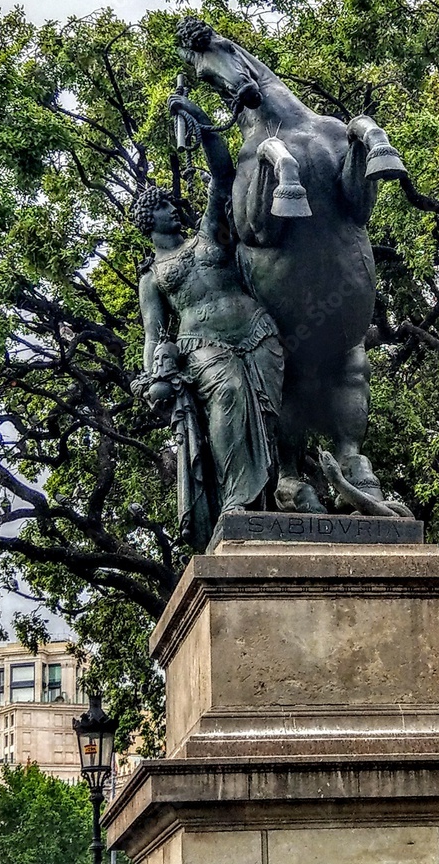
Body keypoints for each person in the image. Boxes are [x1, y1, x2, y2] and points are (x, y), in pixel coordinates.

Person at [133, 96, 283, 548]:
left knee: (276, 421)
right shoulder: (154, 276)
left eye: (174, 205)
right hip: (203, 345)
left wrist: (201, 123)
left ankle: (283, 499)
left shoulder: (208, 233)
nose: (173, 209)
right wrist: (153, 376)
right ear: (148, 219)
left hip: (257, 330)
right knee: (229, 393)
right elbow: (154, 333)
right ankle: (236, 502)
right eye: (163, 207)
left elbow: (223, 177)